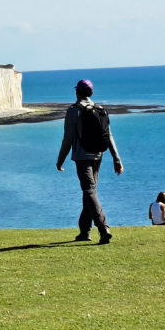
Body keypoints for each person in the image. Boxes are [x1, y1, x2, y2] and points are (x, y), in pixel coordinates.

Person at [56, 79, 123, 244]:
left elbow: (68, 138)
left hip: (82, 156)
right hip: (98, 155)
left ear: (77, 92)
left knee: (89, 191)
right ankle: (84, 231)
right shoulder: (99, 110)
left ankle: (103, 228)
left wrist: (60, 160)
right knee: (90, 192)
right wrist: (116, 159)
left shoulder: (74, 110)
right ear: (91, 93)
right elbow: (109, 136)